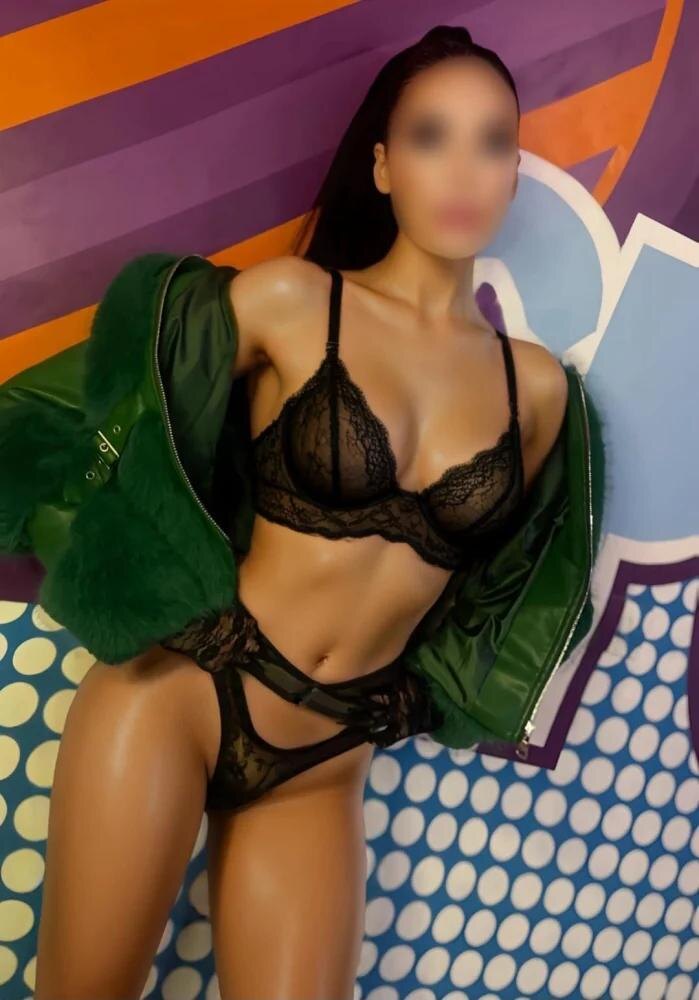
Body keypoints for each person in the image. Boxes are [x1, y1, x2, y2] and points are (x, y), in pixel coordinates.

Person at [30, 24, 581, 999]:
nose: (465, 170)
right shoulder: (292, 301)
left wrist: (422, 698)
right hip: (181, 694)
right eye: (432, 137)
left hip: (325, 761)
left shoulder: (535, 390)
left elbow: (502, 588)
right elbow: (119, 415)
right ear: (383, 165)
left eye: (494, 142)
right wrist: (158, 581)